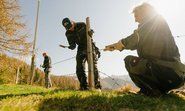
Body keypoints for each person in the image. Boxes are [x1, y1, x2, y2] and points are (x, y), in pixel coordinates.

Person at [104, 2, 185, 96]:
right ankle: (158, 91)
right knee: (146, 63)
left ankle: (148, 91)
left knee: (129, 61)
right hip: (175, 75)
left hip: (167, 73)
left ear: (144, 13)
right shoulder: (157, 24)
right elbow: (136, 41)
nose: (135, 20)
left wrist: (116, 46)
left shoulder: (152, 22)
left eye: (136, 16)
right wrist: (116, 46)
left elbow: (134, 39)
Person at [62, 17, 101, 90]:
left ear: (72, 22)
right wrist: (71, 46)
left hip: (89, 45)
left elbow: (91, 33)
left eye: (71, 26)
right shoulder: (67, 33)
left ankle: (97, 86)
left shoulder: (82, 25)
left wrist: (91, 33)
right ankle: (83, 87)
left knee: (93, 65)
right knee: (79, 67)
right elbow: (73, 45)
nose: (70, 29)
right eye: (68, 28)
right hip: (80, 48)